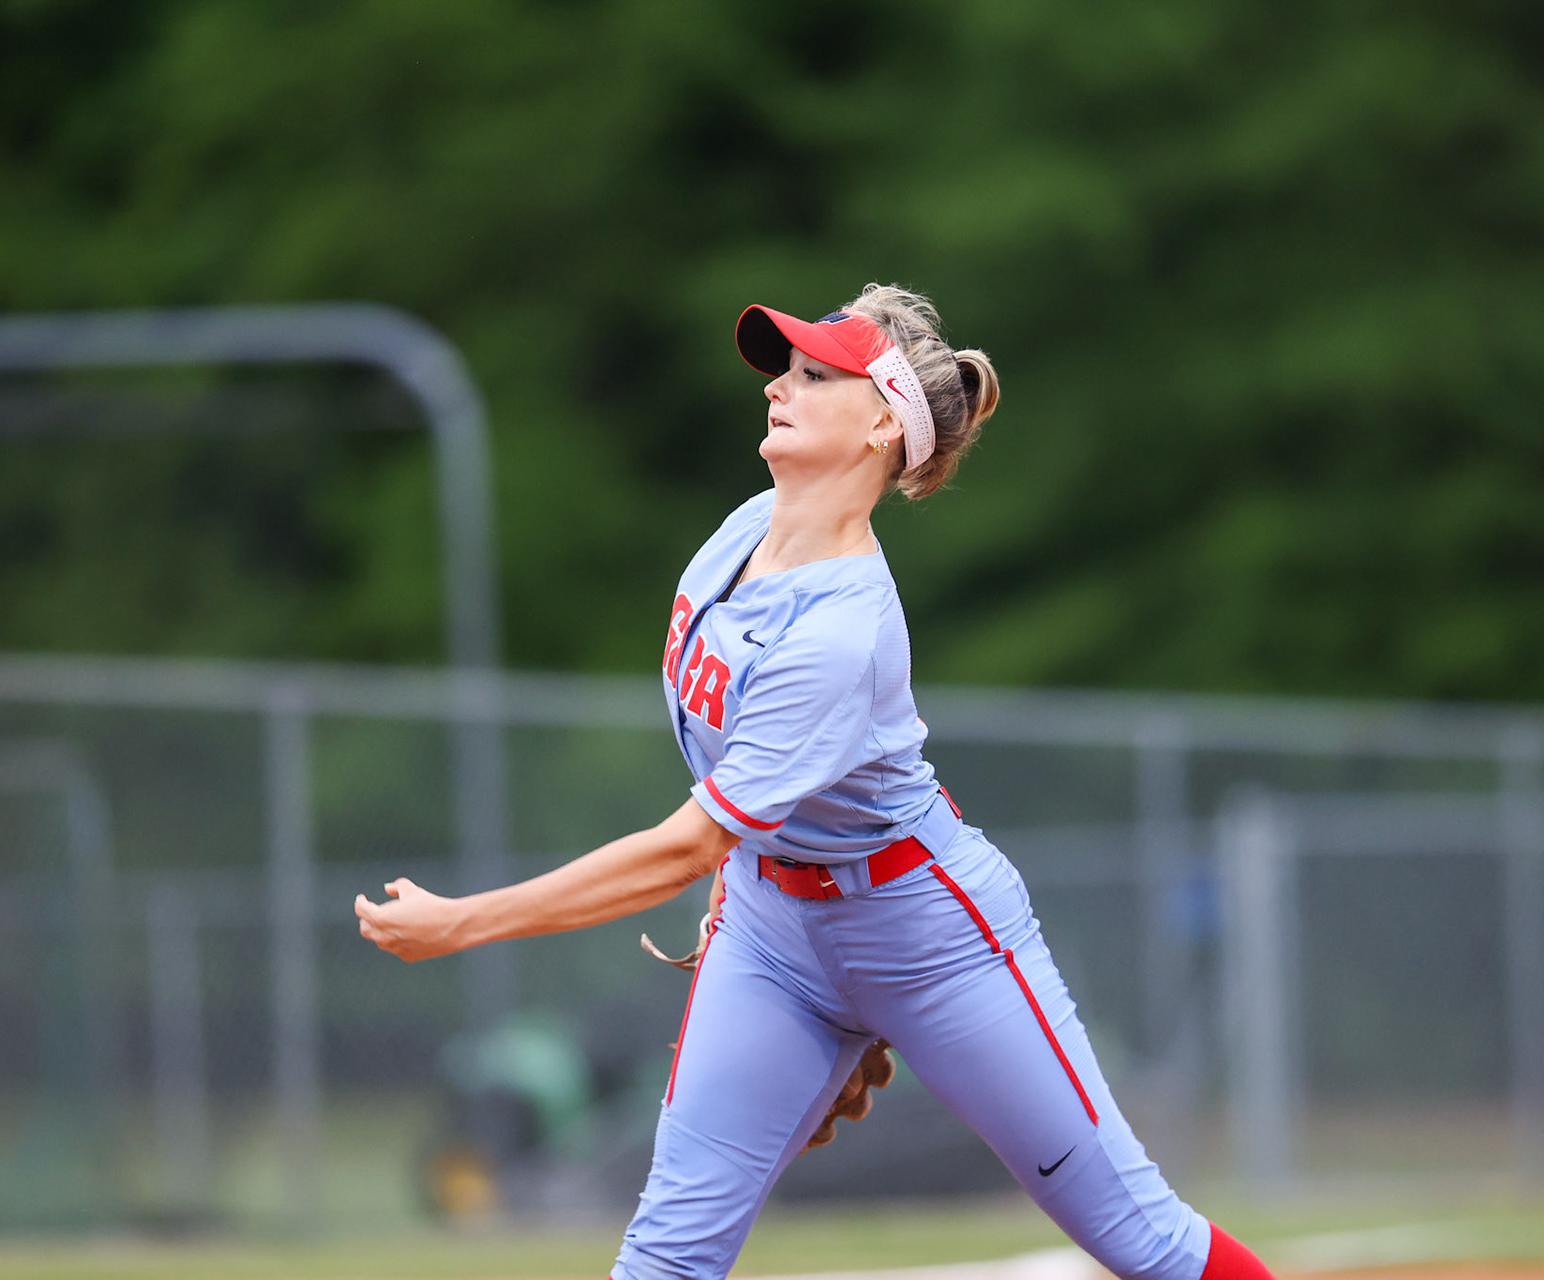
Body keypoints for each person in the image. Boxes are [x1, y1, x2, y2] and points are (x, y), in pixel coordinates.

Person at [355, 285, 1275, 1280]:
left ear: (884, 422)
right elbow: (731, 789)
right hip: (772, 935)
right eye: (786, 369)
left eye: (815, 373)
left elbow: (682, 844)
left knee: (1142, 1237)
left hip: (931, 939)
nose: (780, 388)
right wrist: (748, 911)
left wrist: (465, 922)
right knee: (665, 1254)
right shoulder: (741, 532)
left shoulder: (842, 628)